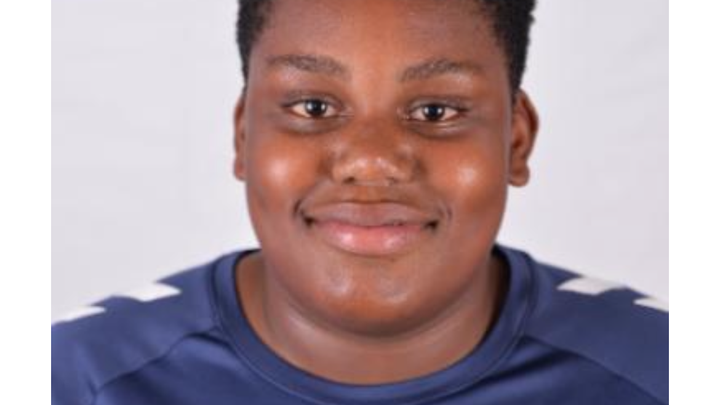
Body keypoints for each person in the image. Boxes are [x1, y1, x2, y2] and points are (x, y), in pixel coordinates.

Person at [52, 0, 668, 404]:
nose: (371, 160)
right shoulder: (71, 378)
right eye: (313, 107)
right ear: (244, 136)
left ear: (515, 140)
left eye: (436, 111)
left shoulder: (668, 371)